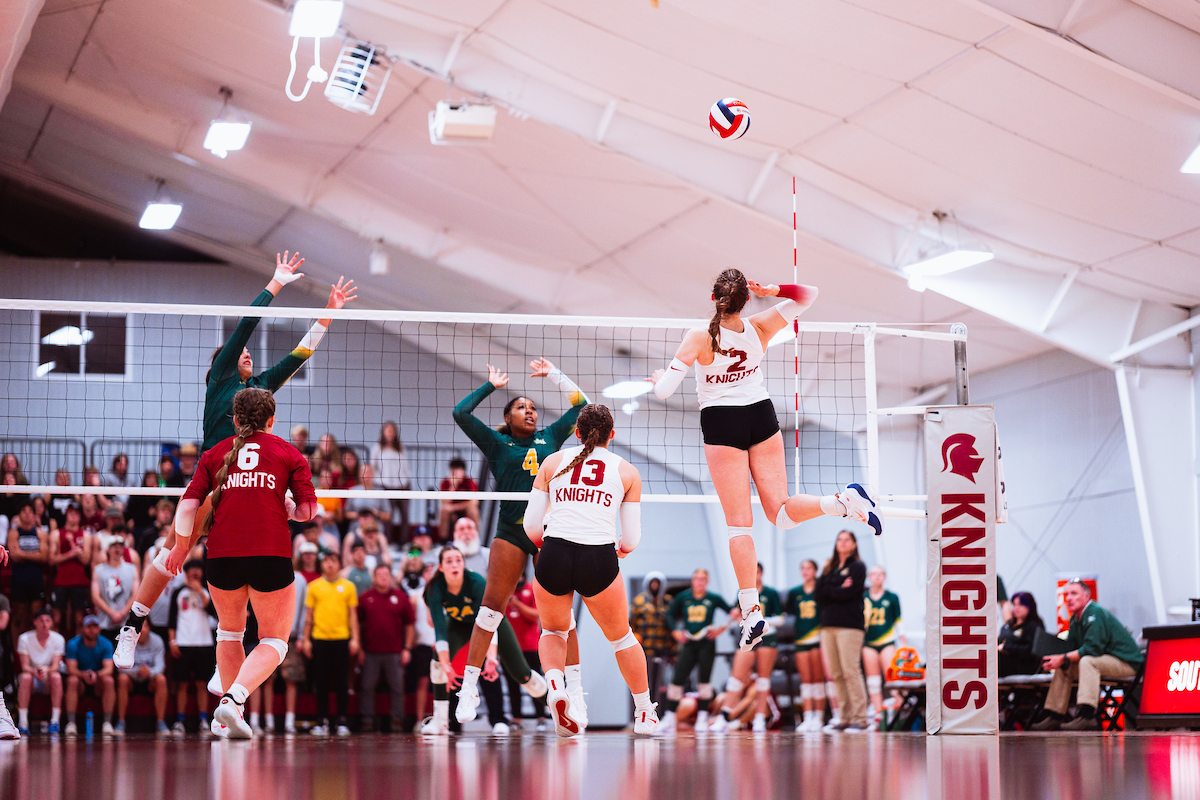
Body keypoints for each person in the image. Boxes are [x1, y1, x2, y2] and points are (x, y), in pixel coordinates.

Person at [113, 252, 353, 669]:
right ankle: (132, 626)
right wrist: (275, 283)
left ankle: (228, 668)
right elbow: (246, 326)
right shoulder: (222, 378)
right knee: (173, 553)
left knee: (243, 572)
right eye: (238, 353)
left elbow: (301, 353)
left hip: (250, 487)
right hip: (214, 480)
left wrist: (328, 312)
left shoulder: (258, 391)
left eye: (247, 356)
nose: (247, 355)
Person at [648, 270, 879, 651]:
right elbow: (810, 293)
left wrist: (659, 377)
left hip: (722, 423)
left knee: (740, 525)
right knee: (782, 513)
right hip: (760, 414)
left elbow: (664, 391)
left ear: (713, 298)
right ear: (746, 299)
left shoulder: (699, 337)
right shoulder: (760, 326)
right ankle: (841, 503)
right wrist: (774, 291)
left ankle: (752, 612)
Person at [164, 386, 319, 740]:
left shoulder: (215, 454)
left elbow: (188, 507)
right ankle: (234, 700)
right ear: (272, 419)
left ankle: (227, 720)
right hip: (270, 554)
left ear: (234, 420)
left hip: (221, 556)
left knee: (229, 632)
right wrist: (292, 510)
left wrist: (180, 549)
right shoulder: (289, 453)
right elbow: (308, 511)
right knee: (275, 642)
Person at [450, 357, 588, 725]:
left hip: (548, 533)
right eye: (521, 408)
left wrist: (556, 375)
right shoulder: (497, 444)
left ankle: (573, 693)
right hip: (511, 531)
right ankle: (468, 688)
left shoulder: (551, 438)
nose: (529, 412)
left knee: (560, 615)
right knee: (491, 609)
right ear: (508, 418)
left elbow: (584, 409)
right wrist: (490, 386)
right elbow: (460, 413)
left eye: (531, 408)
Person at [523, 404, 658, 737]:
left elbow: (530, 525)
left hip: (554, 551)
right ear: (612, 435)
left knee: (553, 632)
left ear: (577, 432)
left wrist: (547, 546)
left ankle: (556, 687)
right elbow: (632, 538)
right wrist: (621, 551)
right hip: (598, 556)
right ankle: (644, 713)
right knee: (622, 638)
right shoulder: (627, 472)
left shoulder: (552, 461)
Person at [421, 545, 547, 735]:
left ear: (463, 564)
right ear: (440, 567)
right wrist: (447, 665)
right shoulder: (434, 588)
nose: (454, 564)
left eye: (458, 560)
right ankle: (440, 721)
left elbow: (488, 624)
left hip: (493, 624)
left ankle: (559, 708)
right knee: (437, 664)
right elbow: (439, 630)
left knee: (522, 674)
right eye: (449, 561)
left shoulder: (476, 582)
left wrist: (491, 659)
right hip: (459, 624)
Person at [1031, 580, 1144, 731]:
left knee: (1088, 661)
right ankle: (1055, 715)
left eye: (1074, 593)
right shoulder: (1075, 619)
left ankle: (1087, 715)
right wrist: (1057, 659)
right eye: (1067, 594)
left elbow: (1093, 649)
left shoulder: (1095, 612)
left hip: (1127, 663)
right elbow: (1071, 647)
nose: (1069, 598)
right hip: (1107, 660)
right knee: (1065, 666)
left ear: (1086, 597)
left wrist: (1063, 657)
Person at [656, 568, 735, 735]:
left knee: (704, 681)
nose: (699, 582)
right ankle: (669, 717)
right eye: (697, 579)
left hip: (706, 643)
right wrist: (675, 631)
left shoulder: (713, 598)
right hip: (689, 643)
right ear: (692, 581)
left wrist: (721, 628)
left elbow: (733, 612)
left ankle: (702, 716)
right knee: (677, 679)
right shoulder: (683, 597)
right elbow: (669, 614)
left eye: (703, 579)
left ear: (707, 581)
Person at [708, 563, 782, 733]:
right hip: (747, 638)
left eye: (757, 572)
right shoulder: (742, 593)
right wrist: (732, 618)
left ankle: (759, 718)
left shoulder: (770, 593)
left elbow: (781, 619)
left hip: (767, 638)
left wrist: (761, 623)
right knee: (736, 678)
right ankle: (724, 716)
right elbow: (736, 614)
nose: (753, 575)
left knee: (763, 679)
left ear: (761, 574)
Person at [299, 550, 359, 737]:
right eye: (326, 561)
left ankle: (342, 720)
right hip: (320, 639)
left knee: (342, 681)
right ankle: (321, 721)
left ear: (339, 564)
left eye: (333, 560)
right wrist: (306, 639)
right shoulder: (314, 586)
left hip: (341, 639)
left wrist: (355, 638)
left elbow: (353, 616)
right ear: (322, 564)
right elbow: (308, 616)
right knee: (321, 681)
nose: (330, 564)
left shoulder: (348, 586)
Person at [815, 530, 869, 732]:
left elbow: (849, 593)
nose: (843, 543)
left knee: (850, 671)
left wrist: (832, 588)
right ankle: (845, 718)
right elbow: (818, 595)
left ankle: (861, 718)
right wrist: (836, 586)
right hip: (828, 625)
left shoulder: (858, 566)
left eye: (847, 540)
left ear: (854, 544)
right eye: (840, 539)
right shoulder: (829, 567)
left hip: (850, 626)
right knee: (836, 674)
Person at [358, 564, 415, 733]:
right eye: (380, 574)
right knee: (367, 686)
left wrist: (407, 648)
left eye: (386, 574)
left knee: (397, 687)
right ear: (374, 578)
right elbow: (358, 625)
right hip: (371, 652)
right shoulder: (365, 597)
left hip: (394, 652)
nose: (383, 577)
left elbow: (410, 624)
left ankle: (397, 720)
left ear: (391, 577)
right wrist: (360, 649)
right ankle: (367, 721)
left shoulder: (400, 596)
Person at [168, 560, 217, 736]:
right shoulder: (177, 592)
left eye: (198, 569)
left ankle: (203, 720)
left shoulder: (208, 591)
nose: (195, 572)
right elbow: (172, 619)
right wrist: (172, 642)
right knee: (181, 683)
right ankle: (180, 721)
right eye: (191, 569)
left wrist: (198, 590)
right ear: (186, 572)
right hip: (183, 642)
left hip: (204, 642)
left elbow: (214, 612)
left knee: (201, 683)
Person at [786, 559, 826, 731]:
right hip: (801, 638)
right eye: (802, 568)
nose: (805, 571)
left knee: (818, 679)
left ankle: (819, 717)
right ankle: (807, 716)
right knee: (806, 680)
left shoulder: (822, 589)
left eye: (809, 568)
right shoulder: (795, 592)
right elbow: (790, 611)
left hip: (818, 638)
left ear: (815, 571)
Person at [862, 564, 906, 719]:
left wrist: (904, 643)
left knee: (892, 677)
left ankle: (900, 711)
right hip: (868, 643)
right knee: (873, 681)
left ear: (884, 577)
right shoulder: (863, 597)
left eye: (880, 574)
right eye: (874, 574)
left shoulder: (892, 597)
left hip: (887, 641)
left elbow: (898, 622)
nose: (877, 577)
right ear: (869, 577)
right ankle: (877, 714)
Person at [505, 574, 548, 728]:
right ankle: (516, 718)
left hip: (530, 646)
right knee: (512, 684)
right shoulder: (505, 591)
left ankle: (541, 717)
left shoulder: (531, 589)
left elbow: (536, 615)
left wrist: (517, 604)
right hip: (510, 648)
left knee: (534, 680)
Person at [64, 614, 116, 737]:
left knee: (109, 680)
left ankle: (107, 723)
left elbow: (109, 669)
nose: (92, 630)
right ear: (83, 628)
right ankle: (71, 723)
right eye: (88, 626)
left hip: (98, 682)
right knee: (72, 680)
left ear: (99, 629)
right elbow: (71, 669)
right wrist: (84, 675)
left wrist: (96, 674)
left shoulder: (106, 643)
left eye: (95, 626)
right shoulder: (73, 644)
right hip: (81, 682)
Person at [16, 607, 65, 735]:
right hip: (32, 677)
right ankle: (23, 722)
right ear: (35, 622)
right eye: (41, 620)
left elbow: (56, 666)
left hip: (48, 677)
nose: (44, 624)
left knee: (57, 677)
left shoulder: (58, 639)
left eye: (47, 620)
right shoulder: (24, 638)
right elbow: (24, 666)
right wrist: (34, 671)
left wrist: (46, 670)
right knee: (25, 677)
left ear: (52, 623)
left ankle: (55, 721)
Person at [401, 555, 436, 731]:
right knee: (422, 682)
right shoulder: (415, 596)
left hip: (441, 643)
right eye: (427, 571)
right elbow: (411, 622)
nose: (430, 574)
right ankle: (419, 720)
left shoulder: (445, 593)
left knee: (445, 682)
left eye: (433, 571)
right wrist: (411, 642)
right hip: (423, 644)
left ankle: (444, 718)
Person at [115, 625, 170, 736]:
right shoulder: (126, 640)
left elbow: (161, 666)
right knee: (122, 679)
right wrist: (137, 671)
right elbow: (119, 666)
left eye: (145, 626)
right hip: (132, 679)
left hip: (149, 680)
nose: (142, 629)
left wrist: (149, 672)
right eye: (139, 626)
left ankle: (161, 722)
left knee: (161, 679)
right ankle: (121, 722)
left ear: (149, 628)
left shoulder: (157, 640)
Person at [630, 570, 674, 706]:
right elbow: (631, 623)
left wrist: (673, 648)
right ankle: (640, 713)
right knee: (643, 683)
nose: (655, 585)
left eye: (657, 583)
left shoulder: (667, 602)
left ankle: (657, 714)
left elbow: (672, 625)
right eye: (652, 582)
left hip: (663, 648)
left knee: (661, 683)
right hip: (644, 649)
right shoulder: (639, 601)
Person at [50, 502, 92, 639]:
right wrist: (71, 553)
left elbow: (86, 560)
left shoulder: (85, 535)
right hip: (60, 580)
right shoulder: (56, 534)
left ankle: (74, 653)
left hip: (79, 581)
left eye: (77, 513)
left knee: (79, 620)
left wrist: (72, 546)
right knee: (56, 620)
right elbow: (51, 560)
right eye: (71, 512)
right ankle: (58, 652)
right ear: (66, 514)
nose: (74, 516)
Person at [8, 499, 49, 634]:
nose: (27, 514)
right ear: (19, 514)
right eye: (23, 511)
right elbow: (14, 555)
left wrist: (23, 554)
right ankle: (16, 653)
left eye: (30, 511)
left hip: (35, 579)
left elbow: (43, 556)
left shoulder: (40, 533)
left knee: (34, 617)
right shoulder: (13, 533)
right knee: (18, 618)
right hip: (19, 579)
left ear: (34, 514)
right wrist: (34, 554)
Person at [370, 422, 412, 541]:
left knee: (405, 515)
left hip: (402, 486)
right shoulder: (377, 448)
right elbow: (373, 467)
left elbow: (405, 467)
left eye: (392, 430)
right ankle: (387, 541)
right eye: (387, 430)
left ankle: (404, 541)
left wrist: (407, 482)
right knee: (388, 516)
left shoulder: (400, 448)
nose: (390, 433)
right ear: (383, 432)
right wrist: (379, 483)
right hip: (385, 486)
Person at [93, 538, 139, 644]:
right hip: (104, 621)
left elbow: (135, 594)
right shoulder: (98, 570)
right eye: (114, 546)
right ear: (108, 549)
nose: (117, 549)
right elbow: (95, 596)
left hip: (126, 621)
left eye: (120, 546)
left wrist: (122, 614)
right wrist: (112, 613)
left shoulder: (132, 569)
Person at [998, 591, 1046, 677]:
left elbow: (1031, 650)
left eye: (1020, 605)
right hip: (1005, 663)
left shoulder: (1034, 626)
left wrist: (1006, 648)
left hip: (1025, 665)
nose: (1016, 608)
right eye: (1014, 605)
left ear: (1029, 607)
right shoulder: (1007, 626)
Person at [436, 458, 479, 541]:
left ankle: (476, 539)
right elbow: (444, 502)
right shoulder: (445, 482)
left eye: (458, 469)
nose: (455, 472)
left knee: (474, 511)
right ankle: (443, 541)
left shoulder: (470, 482)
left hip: (465, 511)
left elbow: (474, 503)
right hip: (451, 513)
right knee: (443, 511)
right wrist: (453, 486)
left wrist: (453, 507)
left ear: (463, 471)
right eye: (453, 469)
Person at [345, 465, 392, 531]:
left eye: (368, 472)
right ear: (359, 475)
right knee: (349, 539)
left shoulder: (381, 492)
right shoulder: (353, 491)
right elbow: (346, 514)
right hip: (357, 526)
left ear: (372, 475)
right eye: (363, 472)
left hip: (375, 527)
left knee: (381, 539)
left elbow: (388, 516)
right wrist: (359, 515)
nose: (366, 475)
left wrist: (376, 513)